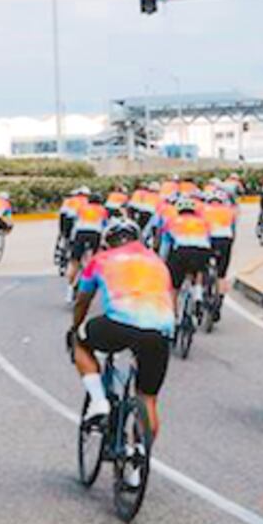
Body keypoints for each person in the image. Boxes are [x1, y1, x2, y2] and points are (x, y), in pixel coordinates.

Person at [70, 215, 174, 448]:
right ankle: (137, 461)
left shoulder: (101, 259)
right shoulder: (157, 262)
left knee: (81, 341)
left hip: (119, 323)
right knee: (148, 398)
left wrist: (75, 327)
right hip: (160, 329)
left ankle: (98, 402)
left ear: (109, 241)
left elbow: (82, 300)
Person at [67, 189, 108, 295]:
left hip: (80, 234)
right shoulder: (103, 210)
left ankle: (69, 288)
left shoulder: (81, 208)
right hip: (95, 235)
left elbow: (72, 220)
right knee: (95, 260)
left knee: (74, 262)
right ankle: (91, 281)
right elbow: (105, 227)